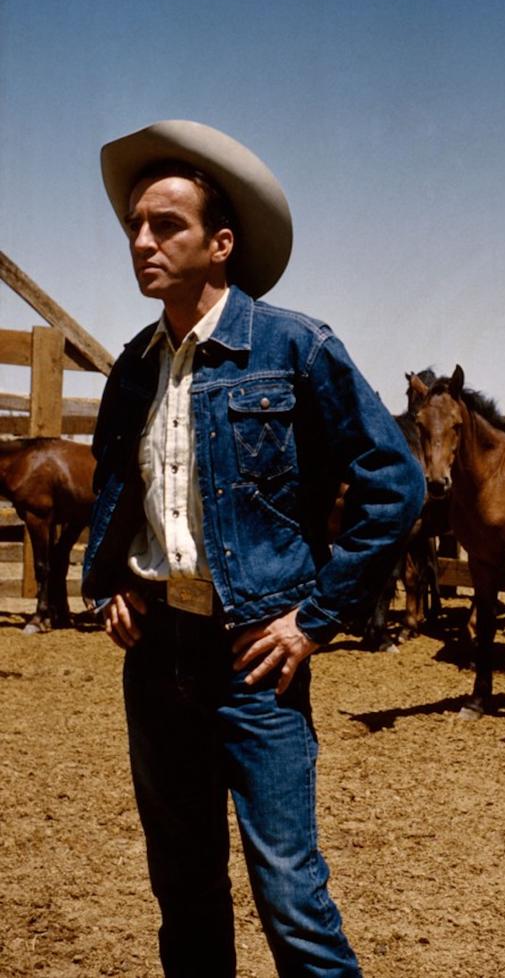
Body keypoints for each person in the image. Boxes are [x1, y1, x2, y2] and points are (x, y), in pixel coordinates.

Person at [82, 119, 426, 978]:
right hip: (156, 658)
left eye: (166, 225)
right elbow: (115, 488)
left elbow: (396, 483)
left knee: (290, 896)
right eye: (134, 225)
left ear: (221, 244)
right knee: (185, 888)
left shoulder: (294, 347)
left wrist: (315, 620)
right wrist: (110, 579)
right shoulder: (133, 366)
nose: (142, 241)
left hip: (255, 661)